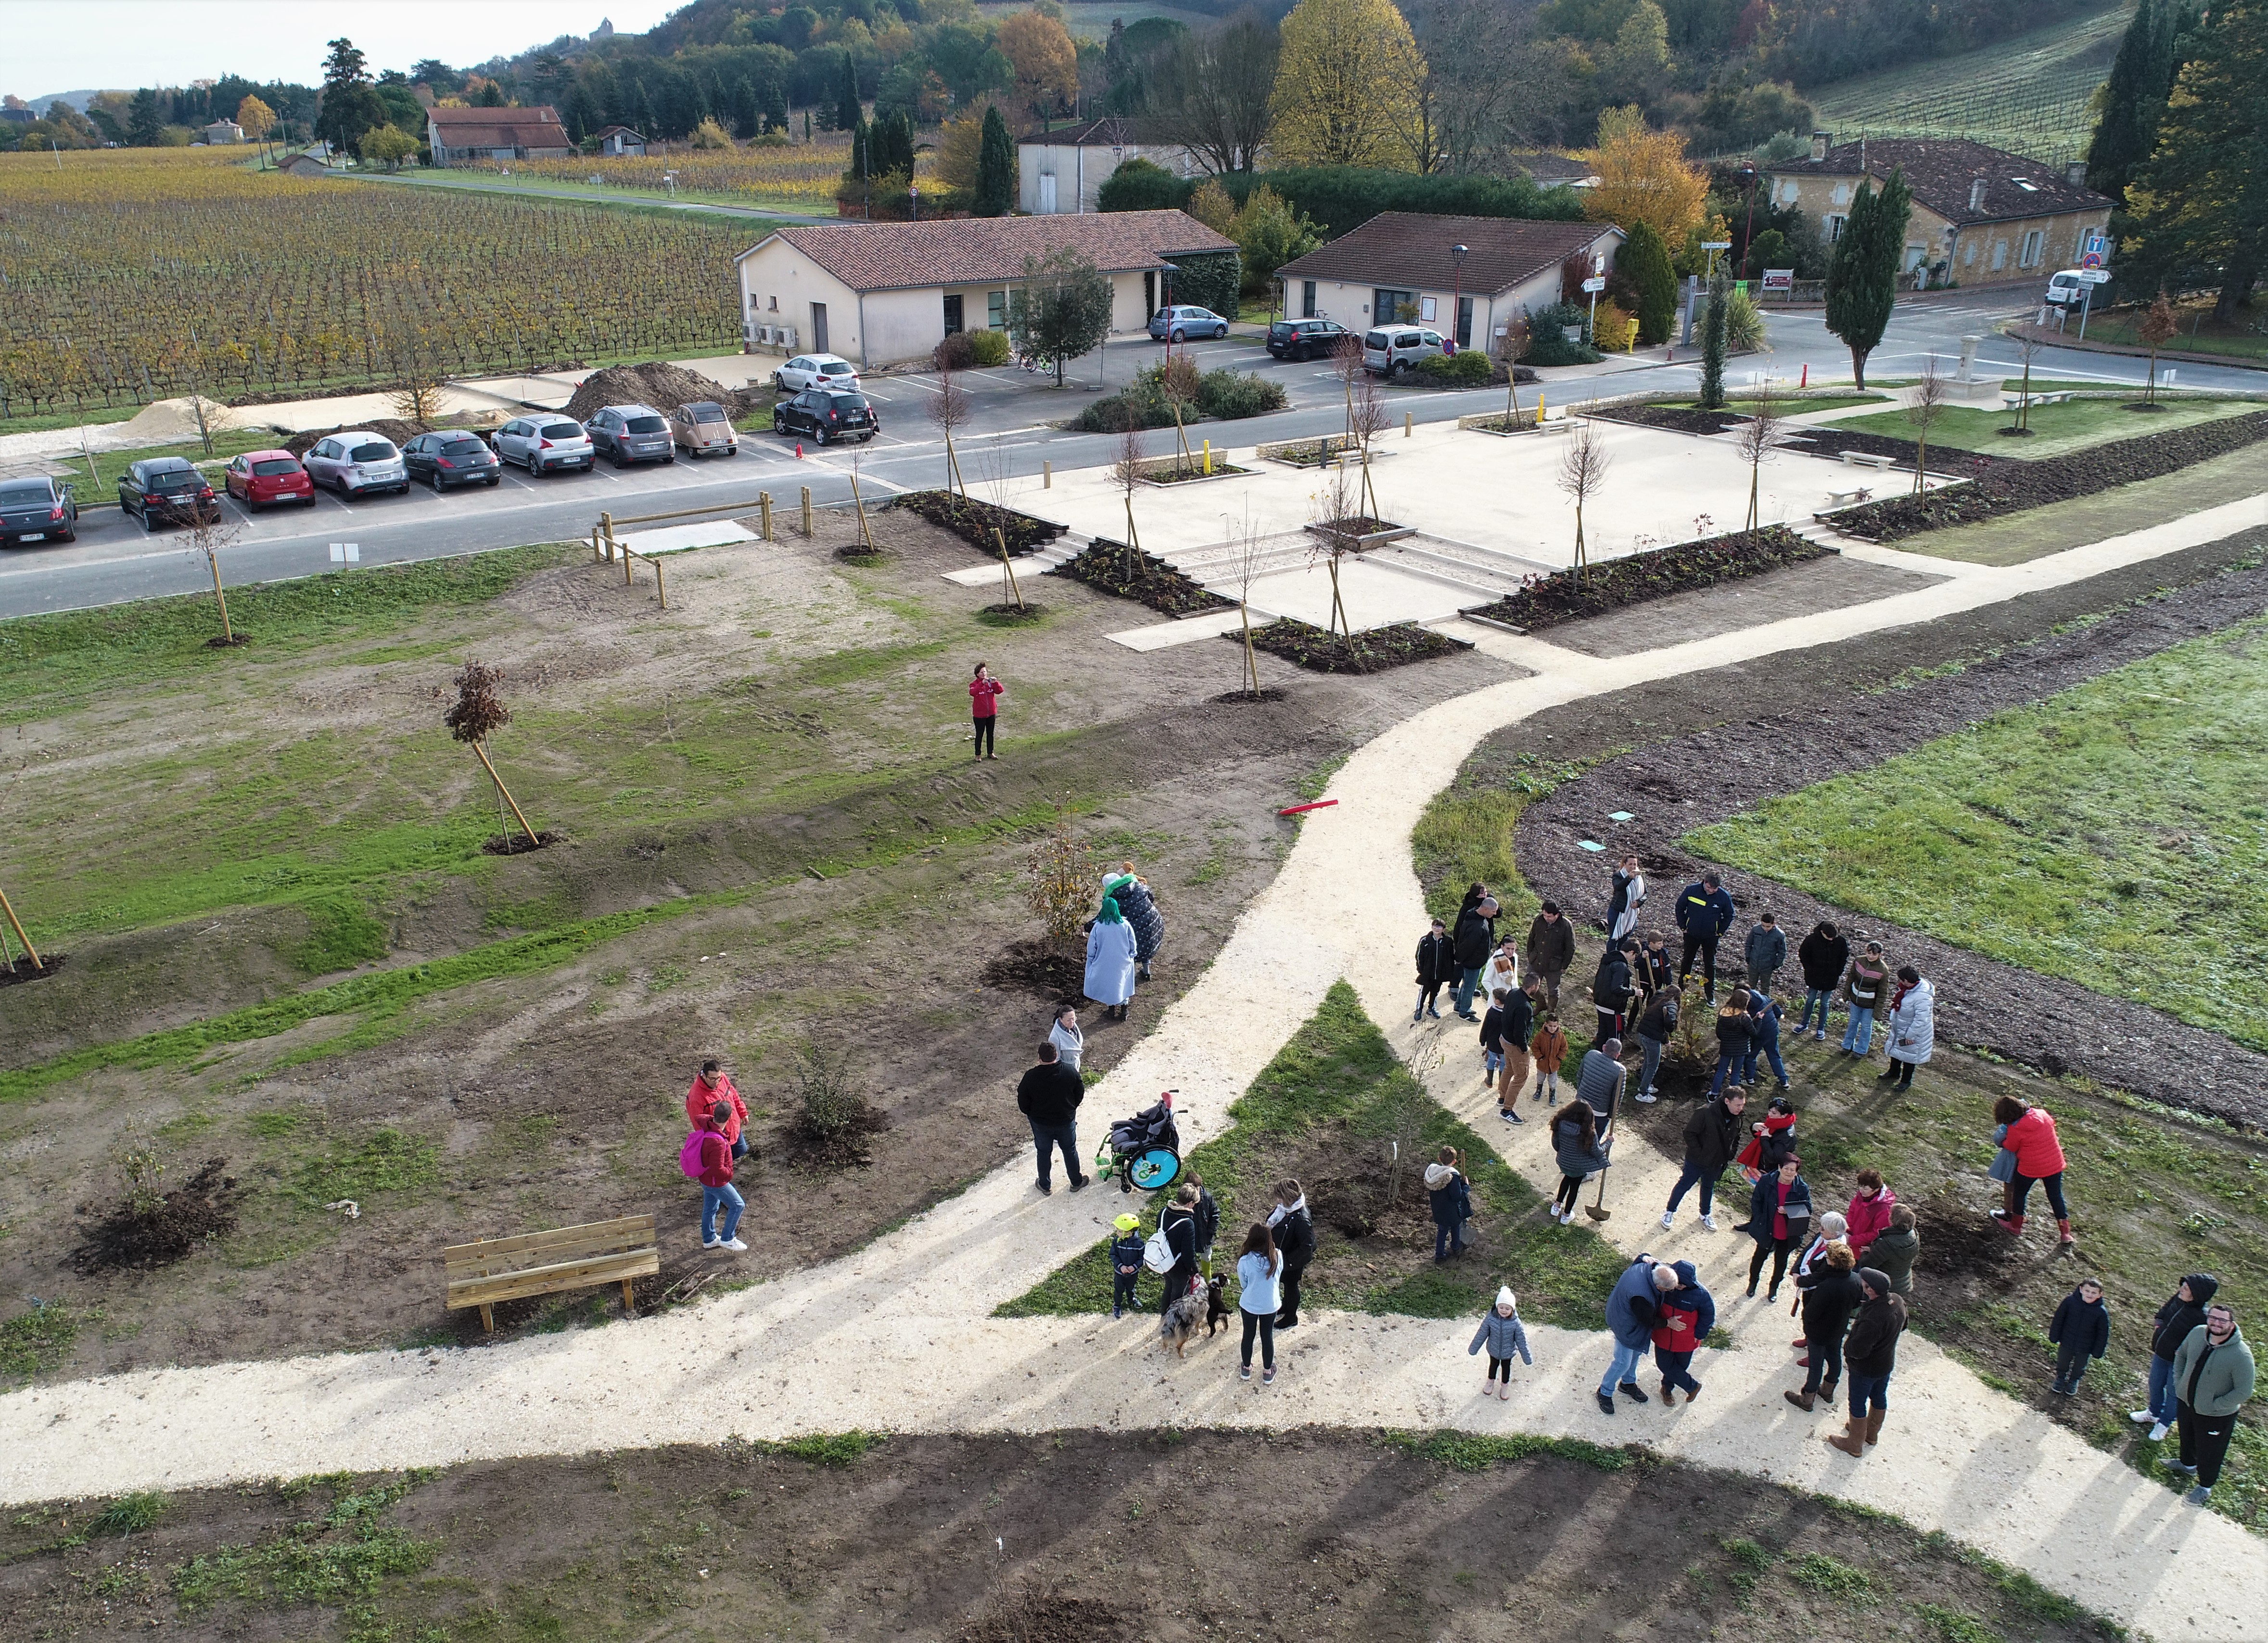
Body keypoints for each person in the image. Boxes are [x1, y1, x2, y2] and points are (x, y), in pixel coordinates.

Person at [2166, 1303, 2255, 1506]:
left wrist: (2215, 1405)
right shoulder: (2198, 1333)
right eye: (2213, 1318)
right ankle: (2188, 1465)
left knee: (2210, 1451)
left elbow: (2244, 1391)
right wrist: (2179, 1383)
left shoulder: (2241, 1355)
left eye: (2222, 1320)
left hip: (2216, 1415)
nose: (2216, 1323)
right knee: (2186, 1436)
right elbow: (2181, 1354)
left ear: (2231, 1325)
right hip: (2187, 1402)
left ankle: (2205, 1487)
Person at [1829, 1268, 1907, 1455]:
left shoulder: (1874, 1318)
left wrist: (1847, 1351)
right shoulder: (1897, 1301)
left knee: (1857, 1402)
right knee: (1879, 1396)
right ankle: (1871, 1434)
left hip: (1865, 1369)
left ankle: (1854, 1444)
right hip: (1886, 1364)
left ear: (1870, 1289)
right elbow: (1904, 1325)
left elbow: (1859, 1350)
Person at [2132, 1274, 2218, 1441]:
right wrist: (2159, 1323)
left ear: (2196, 1294)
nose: (2181, 1290)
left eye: (2186, 1288)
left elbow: (2200, 1343)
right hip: (2161, 1353)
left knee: (2173, 1393)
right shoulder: (2178, 1299)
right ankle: (2153, 1413)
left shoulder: (2202, 1318)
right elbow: (2165, 1309)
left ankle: (2164, 1423)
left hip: (2179, 1362)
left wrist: (2184, 1354)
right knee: (2155, 1383)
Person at [1596, 1254, 1681, 1413]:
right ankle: (1604, 1392)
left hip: (1623, 1314)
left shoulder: (1648, 1267)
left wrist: (1644, 1256)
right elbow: (1648, 1321)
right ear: (1659, 1287)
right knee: (1622, 1362)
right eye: (1668, 1290)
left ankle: (1628, 1383)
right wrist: (1669, 1323)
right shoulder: (1641, 1296)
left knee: (1635, 1354)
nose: (1669, 1293)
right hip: (1626, 1325)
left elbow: (1642, 1257)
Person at [1786, 1241, 1862, 1412]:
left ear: (1833, 1262)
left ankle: (1807, 1398)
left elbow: (1811, 1313)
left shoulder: (1827, 1286)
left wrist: (1806, 1320)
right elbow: (1857, 1303)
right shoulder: (1856, 1280)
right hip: (1838, 1328)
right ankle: (1828, 1391)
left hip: (1819, 1331)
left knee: (1816, 1364)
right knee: (1835, 1359)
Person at [1992, 1095, 2074, 1248]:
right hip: (2054, 1164)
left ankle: (2016, 1226)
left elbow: (2011, 1147)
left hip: (2031, 1168)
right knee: (2056, 1196)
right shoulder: (2042, 1114)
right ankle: (2065, 1233)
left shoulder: (2016, 1129)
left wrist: (2002, 1140)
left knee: (2019, 1194)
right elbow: (2051, 1124)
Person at [1663, 1086, 1746, 1233]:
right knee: (1685, 1185)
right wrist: (1700, 1153)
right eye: (1738, 1105)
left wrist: (1730, 1153)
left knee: (1708, 1187)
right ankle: (1670, 1212)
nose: (1741, 1108)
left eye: (1743, 1104)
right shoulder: (1705, 1112)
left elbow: (1737, 1136)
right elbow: (1689, 1133)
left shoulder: (1738, 1117)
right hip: (1697, 1160)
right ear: (1727, 1101)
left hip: (1716, 1162)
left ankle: (1705, 1214)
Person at [1015, 1040, 1088, 1194]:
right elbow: (1080, 1092)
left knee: (1043, 1153)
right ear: (1056, 1056)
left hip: (1041, 1124)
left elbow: (1023, 1103)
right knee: (1070, 1151)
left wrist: (1032, 1114)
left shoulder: (1030, 1077)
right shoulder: (1069, 1072)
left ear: (1039, 1057)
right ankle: (1076, 1181)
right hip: (1066, 1121)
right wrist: (1071, 1108)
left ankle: (1045, 1185)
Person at [1746, 1155, 1812, 1301]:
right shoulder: (1767, 1181)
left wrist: (1789, 1211)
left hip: (1787, 1232)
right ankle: (1753, 1284)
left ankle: (1773, 1288)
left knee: (1781, 1263)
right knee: (1759, 1258)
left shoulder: (1802, 1188)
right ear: (1780, 1168)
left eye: (1792, 1170)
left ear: (1797, 1172)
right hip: (1767, 1227)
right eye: (1786, 1168)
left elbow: (1807, 1209)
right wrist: (1759, 1218)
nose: (1788, 1172)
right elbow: (1757, 1201)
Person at [1652, 1259, 1715, 1405]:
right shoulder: (1666, 1285)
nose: (1678, 1287)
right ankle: (1692, 1386)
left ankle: (1667, 1389)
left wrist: (1699, 1335)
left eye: (1682, 1284)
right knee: (1664, 1364)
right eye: (1677, 1283)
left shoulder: (1701, 1294)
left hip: (1686, 1340)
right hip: (1664, 1335)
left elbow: (1708, 1316)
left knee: (1680, 1367)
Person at [693, 1100, 747, 1252]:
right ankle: (728, 1239)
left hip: (706, 1179)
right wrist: (729, 1174)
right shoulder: (717, 1142)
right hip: (715, 1181)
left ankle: (709, 1239)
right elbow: (718, 1169)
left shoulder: (707, 1128)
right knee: (738, 1205)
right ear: (729, 1118)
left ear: (714, 1115)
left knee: (710, 1208)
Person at [1550, 1096, 1612, 1226]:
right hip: (1578, 1167)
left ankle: (1556, 1206)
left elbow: (1556, 1144)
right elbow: (1598, 1151)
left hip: (1564, 1162)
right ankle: (1566, 1215)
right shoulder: (1589, 1133)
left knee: (1566, 1179)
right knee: (1574, 1187)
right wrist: (1608, 1143)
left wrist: (1564, 1154)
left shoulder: (1560, 1124)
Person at [1674, 871, 1737, 999]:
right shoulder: (1691, 890)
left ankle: (1710, 994)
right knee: (1687, 960)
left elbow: (1730, 915)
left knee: (1710, 965)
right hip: (1691, 934)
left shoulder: (1724, 897)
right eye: (1709, 888)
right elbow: (1680, 907)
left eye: (1714, 889)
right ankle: (1681, 988)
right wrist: (1683, 926)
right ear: (1705, 882)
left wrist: (1720, 932)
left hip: (1711, 936)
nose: (1711, 891)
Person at [1235, 1222, 1283, 1384]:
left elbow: (1244, 1284)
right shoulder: (1277, 1256)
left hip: (1249, 1304)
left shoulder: (1245, 1261)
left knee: (1248, 1335)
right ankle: (1268, 1371)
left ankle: (1246, 1368)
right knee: (1267, 1336)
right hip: (1270, 1305)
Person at [2049, 1277, 2111, 1396]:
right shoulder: (2070, 1302)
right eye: (2087, 1291)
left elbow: (2103, 1334)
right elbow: (2059, 1319)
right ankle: (2060, 1378)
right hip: (2067, 1341)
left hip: (2085, 1348)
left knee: (2080, 1366)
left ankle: (2074, 1381)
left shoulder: (2101, 1312)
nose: (2090, 1295)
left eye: (2094, 1293)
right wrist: (2054, 1336)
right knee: (2062, 1362)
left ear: (2100, 1295)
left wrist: (2098, 1351)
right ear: (2081, 1289)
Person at [1470, 1285, 1533, 1399]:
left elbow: (1522, 1341)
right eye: (1502, 1307)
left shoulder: (1516, 1323)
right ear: (1497, 1306)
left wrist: (1527, 1358)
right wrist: (1473, 1349)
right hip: (1493, 1350)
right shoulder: (1490, 1319)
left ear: (1513, 1309)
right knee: (1493, 1366)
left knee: (1506, 1369)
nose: (1504, 1311)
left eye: (1507, 1309)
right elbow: (1482, 1333)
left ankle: (1505, 1386)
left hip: (1508, 1353)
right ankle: (1490, 1381)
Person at [1106, 864, 1166, 982]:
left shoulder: (1114, 901)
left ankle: (1130, 980)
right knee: (1147, 948)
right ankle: (1146, 972)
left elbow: (1102, 918)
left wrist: (1086, 927)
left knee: (1133, 953)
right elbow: (1151, 897)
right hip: (1154, 924)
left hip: (1136, 931)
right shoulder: (1137, 886)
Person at [1269, 1179, 1315, 1330]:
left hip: (1292, 1261)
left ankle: (1291, 1317)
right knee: (1286, 1285)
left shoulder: (1301, 1219)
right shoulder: (1287, 1210)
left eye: (1280, 1198)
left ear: (1288, 1198)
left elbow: (1306, 1246)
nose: (1278, 1201)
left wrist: (1287, 1261)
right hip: (1284, 1254)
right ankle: (1285, 1307)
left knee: (1291, 1286)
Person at [1083, 895, 1137, 1022]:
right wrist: (1131, 954)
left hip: (1104, 962)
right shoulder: (1125, 924)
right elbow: (1133, 943)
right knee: (1123, 984)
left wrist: (1091, 958)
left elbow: (1092, 946)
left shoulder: (1098, 927)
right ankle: (1124, 1010)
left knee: (1110, 986)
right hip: (1123, 961)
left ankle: (1111, 1010)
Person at [1450, 886, 1500, 1019]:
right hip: (1473, 961)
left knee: (1467, 984)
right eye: (1493, 911)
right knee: (1470, 987)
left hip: (1473, 960)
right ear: (1485, 909)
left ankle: (1459, 1006)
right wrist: (1459, 958)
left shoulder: (1474, 915)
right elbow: (1468, 946)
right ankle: (1464, 1012)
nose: (1495, 914)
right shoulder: (1477, 928)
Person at [685, 1060, 750, 1162]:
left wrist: (743, 1112)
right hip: (719, 1137)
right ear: (704, 1076)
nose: (717, 1082)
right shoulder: (696, 1098)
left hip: (734, 1128)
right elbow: (700, 1124)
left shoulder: (722, 1078)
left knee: (742, 1150)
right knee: (724, 1162)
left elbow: (733, 1094)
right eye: (713, 1079)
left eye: (719, 1078)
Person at [1881, 967, 1934, 1091]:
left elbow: (1921, 1019)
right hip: (1901, 1027)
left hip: (1913, 1032)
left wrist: (1910, 1035)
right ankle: (1893, 1073)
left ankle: (1906, 1081)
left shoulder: (1923, 997)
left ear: (1907, 981)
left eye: (1902, 980)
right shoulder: (1908, 990)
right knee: (1897, 1051)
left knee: (1910, 1057)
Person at [1795, 920, 1849, 1040]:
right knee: (1810, 1000)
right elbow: (1803, 954)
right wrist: (1809, 969)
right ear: (1822, 932)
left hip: (1831, 978)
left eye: (1833, 937)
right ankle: (1804, 1024)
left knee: (1825, 1003)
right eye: (1828, 937)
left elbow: (1844, 958)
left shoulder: (1841, 941)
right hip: (1814, 976)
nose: (1831, 939)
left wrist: (1838, 972)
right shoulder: (1811, 940)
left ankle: (1821, 1028)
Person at [1156, 1183, 1201, 1318]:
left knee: (1168, 1287)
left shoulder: (1163, 1212)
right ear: (1190, 1203)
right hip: (1178, 1267)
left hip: (1163, 1260)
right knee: (1177, 1295)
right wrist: (1195, 1272)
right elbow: (1188, 1255)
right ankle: (1171, 1324)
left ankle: (1164, 1318)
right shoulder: (1188, 1223)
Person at [1840, 941, 1889, 1056]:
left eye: (1874, 954)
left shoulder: (1883, 970)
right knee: (1853, 1022)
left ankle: (1861, 1050)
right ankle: (1847, 1045)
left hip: (1870, 1005)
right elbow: (1850, 977)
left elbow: (1883, 993)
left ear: (1880, 955)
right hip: (1855, 1000)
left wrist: (1878, 1011)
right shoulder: (1858, 961)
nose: (1871, 956)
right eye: (1869, 953)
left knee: (1866, 1026)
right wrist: (1846, 995)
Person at [1632, 983, 1678, 1104]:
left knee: (1648, 1060)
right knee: (1653, 1065)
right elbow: (1669, 1023)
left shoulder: (1657, 997)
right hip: (1651, 1038)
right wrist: (1670, 1031)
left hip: (1642, 1032)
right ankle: (1643, 1093)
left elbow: (1656, 1022)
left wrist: (1665, 1040)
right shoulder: (1672, 1004)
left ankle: (1645, 1084)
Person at [1524, 901, 1575, 1012]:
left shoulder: (1566, 925)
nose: (1546, 918)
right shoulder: (1539, 920)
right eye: (1544, 915)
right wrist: (1530, 955)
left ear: (1557, 915)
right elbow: (1531, 938)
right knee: (1530, 986)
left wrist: (1564, 966)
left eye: (1549, 916)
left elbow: (1571, 948)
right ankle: (1541, 1004)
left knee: (1553, 991)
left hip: (1554, 966)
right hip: (1536, 961)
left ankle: (1551, 1012)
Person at [1426, 1146, 1473, 1262]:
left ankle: (1440, 1255)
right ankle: (1456, 1248)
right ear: (1454, 1162)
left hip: (1438, 1210)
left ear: (1439, 1159)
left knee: (1442, 1231)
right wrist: (1466, 1186)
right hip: (1452, 1211)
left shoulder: (1432, 1174)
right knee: (1455, 1227)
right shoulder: (1453, 1177)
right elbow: (1457, 1196)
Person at [1497, 978, 1537, 1117]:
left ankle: (1502, 1098)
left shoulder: (1513, 992)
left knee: (1509, 1068)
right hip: (1515, 1046)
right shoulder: (1525, 1007)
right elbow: (1519, 1031)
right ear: (1533, 987)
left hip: (1505, 1039)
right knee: (1521, 1076)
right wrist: (1524, 1048)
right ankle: (1507, 1110)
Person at [1591, 938, 1638, 1051]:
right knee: (1616, 1037)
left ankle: (1598, 1056)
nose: (1633, 960)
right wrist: (1633, 992)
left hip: (1600, 1003)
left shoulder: (1608, 960)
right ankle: (1612, 1062)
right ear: (1631, 952)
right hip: (1613, 1008)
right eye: (1634, 956)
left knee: (1602, 1033)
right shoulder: (1621, 966)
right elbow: (1617, 988)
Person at [1707, 993, 1754, 1098]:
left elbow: (1719, 1033)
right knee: (1736, 1072)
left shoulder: (1723, 1013)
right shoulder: (1745, 1017)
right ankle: (1732, 1096)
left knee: (1721, 1071)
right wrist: (1759, 1020)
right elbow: (1753, 1033)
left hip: (1726, 1048)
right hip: (1741, 1049)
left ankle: (1713, 1094)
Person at [1845, 1170, 1898, 1260]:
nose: (1861, 1191)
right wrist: (1847, 1230)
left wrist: (1852, 1240)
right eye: (1860, 1186)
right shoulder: (1861, 1196)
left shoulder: (1884, 1208)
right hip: (1852, 1243)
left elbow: (1877, 1233)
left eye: (1865, 1188)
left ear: (1876, 1189)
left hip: (1864, 1251)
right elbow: (1852, 1212)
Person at [1870, 1203, 1919, 1297]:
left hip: (1885, 1284)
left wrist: (1866, 1252)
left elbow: (1868, 1265)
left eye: (1890, 1214)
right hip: (1904, 1283)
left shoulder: (1887, 1243)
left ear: (1893, 1220)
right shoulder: (1914, 1235)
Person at [1744, 989, 1788, 1090]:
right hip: (1773, 1031)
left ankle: (1749, 1079)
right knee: (1774, 1056)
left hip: (1759, 1035)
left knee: (1751, 1056)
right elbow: (1779, 1013)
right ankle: (1784, 1081)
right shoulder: (1765, 999)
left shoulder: (1747, 1008)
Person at [1414, 916, 1456, 1022]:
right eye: (1435, 926)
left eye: (1440, 926)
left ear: (1444, 929)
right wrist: (1421, 969)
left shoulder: (1448, 942)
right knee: (1424, 991)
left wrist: (1449, 971)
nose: (1437, 928)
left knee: (1435, 991)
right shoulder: (1425, 940)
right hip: (1427, 972)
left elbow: (1450, 957)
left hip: (1440, 973)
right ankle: (1419, 1009)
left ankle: (1431, 1008)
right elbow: (1419, 955)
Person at [1107, 1212, 1144, 1318]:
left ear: (1129, 1233)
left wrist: (1134, 1267)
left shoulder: (1139, 1244)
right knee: (1119, 1289)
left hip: (1133, 1272)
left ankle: (1131, 1298)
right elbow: (1113, 1254)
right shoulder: (1117, 1242)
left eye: (1120, 1231)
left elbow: (1142, 1258)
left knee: (1131, 1287)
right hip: (1120, 1272)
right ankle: (1117, 1305)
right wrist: (1121, 1266)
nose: (1117, 1233)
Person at [1607, 855, 1647, 945]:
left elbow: (1645, 893)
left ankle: (1621, 956)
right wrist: (1629, 878)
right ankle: (1611, 957)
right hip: (1618, 911)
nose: (1633, 867)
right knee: (1614, 938)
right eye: (1630, 864)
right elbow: (1618, 888)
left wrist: (1639, 902)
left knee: (1625, 939)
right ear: (1625, 864)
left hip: (1632, 913)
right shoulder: (1618, 875)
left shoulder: (1640, 877)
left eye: (1635, 864)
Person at [1744, 911, 1786, 999]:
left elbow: (1782, 951)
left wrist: (1777, 964)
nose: (1765, 929)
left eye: (1768, 926)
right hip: (1754, 962)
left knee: (1765, 989)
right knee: (1750, 986)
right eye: (1763, 926)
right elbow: (1748, 944)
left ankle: (1763, 1006)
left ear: (1774, 924)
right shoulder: (1756, 930)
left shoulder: (1779, 935)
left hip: (1768, 965)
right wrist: (1748, 957)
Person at [1532, 1013, 1569, 1106]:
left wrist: (1559, 1058)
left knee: (1553, 1081)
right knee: (1540, 1078)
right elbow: (1535, 1047)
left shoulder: (1560, 1036)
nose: (1552, 1028)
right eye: (1550, 1026)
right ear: (1546, 1024)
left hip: (1554, 1064)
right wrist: (1540, 1057)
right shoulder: (1541, 1035)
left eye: (1555, 1026)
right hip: (1542, 1063)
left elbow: (1564, 1048)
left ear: (1558, 1025)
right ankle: (1539, 1090)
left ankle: (1552, 1094)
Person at [1478, 989, 1511, 1095]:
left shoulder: (1492, 1012)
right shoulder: (1509, 1013)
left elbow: (1485, 1027)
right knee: (1503, 1063)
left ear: (1497, 1001)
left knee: (1491, 1061)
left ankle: (1489, 1080)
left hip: (1492, 1043)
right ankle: (1502, 1084)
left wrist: (1482, 1040)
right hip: (1504, 1045)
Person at [968, 661, 1004, 758]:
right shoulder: (974, 684)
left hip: (991, 713)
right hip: (979, 715)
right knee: (979, 735)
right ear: (977, 674)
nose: (984, 674)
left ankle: (990, 752)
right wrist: (981, 684)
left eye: (985, 672)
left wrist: (996, 683)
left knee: (990, 734)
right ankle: (978, 755)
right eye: (981, 672)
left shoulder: (991, 683)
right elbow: (973, 693)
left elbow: (1000, 691)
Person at [1187, 1169, 1221, 1273]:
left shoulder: (1207, 1198)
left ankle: (1207, 1274)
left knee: (1207, 1256)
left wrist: (1211, 1231)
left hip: (1206, 1237)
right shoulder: (1186, 1199)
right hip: (1191, 1237)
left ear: (1199, 1187)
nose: (1194, 1193)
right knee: (1189, 1258)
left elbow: (1215, 1214)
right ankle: (1192, 1276)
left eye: (1195, 1189)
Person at [1481, 936, 1521, 1017]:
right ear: (1502, 947)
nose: (1511, 952)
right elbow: (1485, 981)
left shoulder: (1515, 957)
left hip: (1511, 998)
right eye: (1508, 949)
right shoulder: (1494, 961)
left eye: (1513, 949)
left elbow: (1515, 977)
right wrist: (1496, 995)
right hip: (1497, 1002)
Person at [1635, 931, 1674, 998]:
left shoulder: (1663, 953)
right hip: (1644, 981)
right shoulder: (1643, 951)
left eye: (1662, 943)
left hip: (1658, 982)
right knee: (1639, 1000)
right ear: (1651, 943)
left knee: (1653, 1001)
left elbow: (1667, 968)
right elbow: (1637, 965)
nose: (1662, 945)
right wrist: (1642, 958)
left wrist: (1668, 982)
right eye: (1659, 944)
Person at [1048, 1003, 1084, 1072]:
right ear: (1061, 1019)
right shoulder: (1054, 1038)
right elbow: (1056, 1060)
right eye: (1069, 1020)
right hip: (1065, 1071)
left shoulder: (1073, 1026)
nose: (1072, 1022)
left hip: (1075, 1066)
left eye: (1074, 1019)